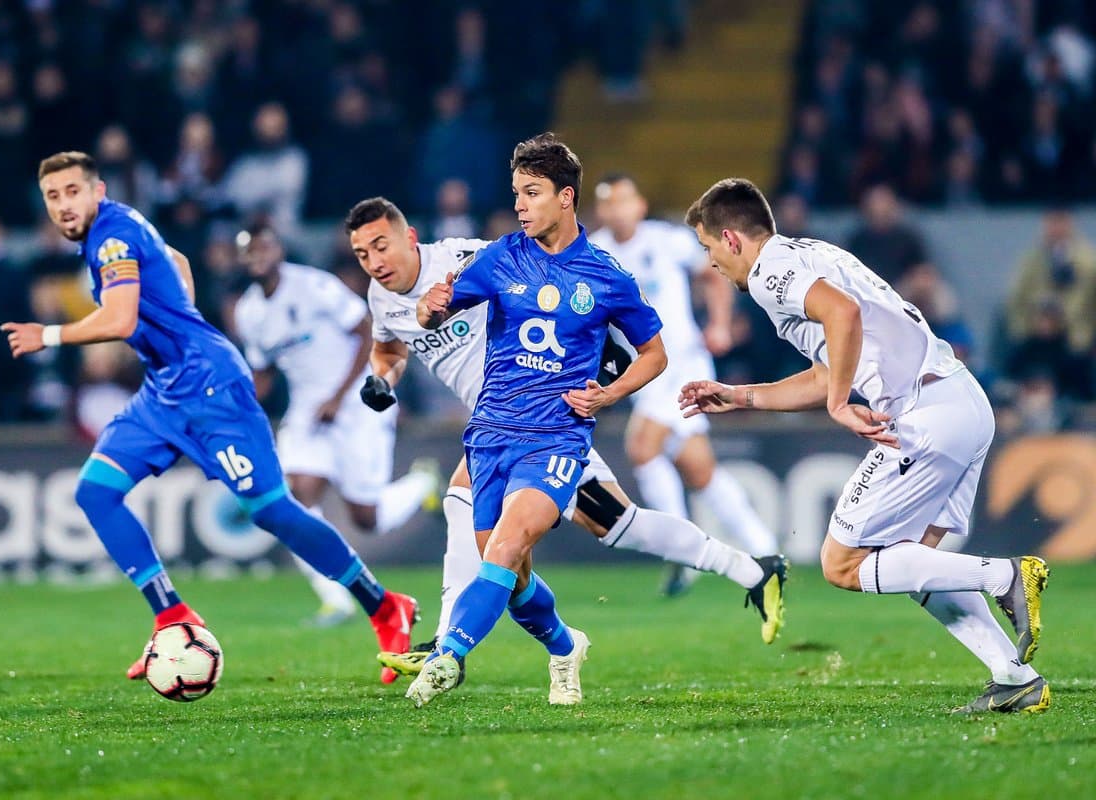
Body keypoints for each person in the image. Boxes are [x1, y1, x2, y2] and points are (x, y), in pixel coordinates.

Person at [1, 152, 418, 685]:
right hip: (163, 392)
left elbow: (121, 319)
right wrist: (183, 319)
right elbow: (176, 260)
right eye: (53, 196)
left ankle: (384, 606)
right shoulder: (116, 229)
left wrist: (49, 334)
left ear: (97, 191)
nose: (63, 205)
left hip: (213, 391)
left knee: (273, 511)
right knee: (96, 491)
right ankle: (172, 616)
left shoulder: (111, 239)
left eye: (72, 192)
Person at [349, 196, 788, 685]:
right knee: (619, 525)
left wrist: (603, 356)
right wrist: (382, 378)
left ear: (409, 237)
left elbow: (545, 273)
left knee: (464, 500)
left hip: (544, 420)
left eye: (381, 246)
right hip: (500, 429)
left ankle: (448, 644)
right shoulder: (380, 297)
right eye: (362, 254)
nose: (375, 262)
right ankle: (753, 570)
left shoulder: (461, 258)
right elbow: (389, 348)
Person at [680, 178, 1051, 715]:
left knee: (841, 564)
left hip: (924, 414)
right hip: (961, 401)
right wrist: (741, 396)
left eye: (708, 247)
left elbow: (843, 315)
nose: (710, 263)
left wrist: (838, 404)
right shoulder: (810, 254)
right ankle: (1016, 678)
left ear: (732, 239)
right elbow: (826, 370)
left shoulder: (768, 274)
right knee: (912, 560)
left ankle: (1006, 576)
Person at [233, 222, 440, 627]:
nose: (258, 256)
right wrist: (234, 415)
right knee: (294, 499)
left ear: (278, 250)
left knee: (368, 517)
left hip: (359, 402)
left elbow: (366, 331)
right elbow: (262, 374)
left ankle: (422, 482)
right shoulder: (249, 311)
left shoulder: (314, 286)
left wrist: (337, 395)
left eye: (264, 247)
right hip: (308, 411)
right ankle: (336, 598)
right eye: (249, 250)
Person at [590, 174, 779, 596]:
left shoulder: (666, 240)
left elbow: (711, 273)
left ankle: (683, 554)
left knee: (642, 447)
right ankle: (766, 550)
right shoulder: (594, 251)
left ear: (639, 205)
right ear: (600, 210)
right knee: (699, 470)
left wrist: (720, 323)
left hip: (679, 360)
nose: (616, 210)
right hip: (642, 370)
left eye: (623, 201)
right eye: (608, 203)